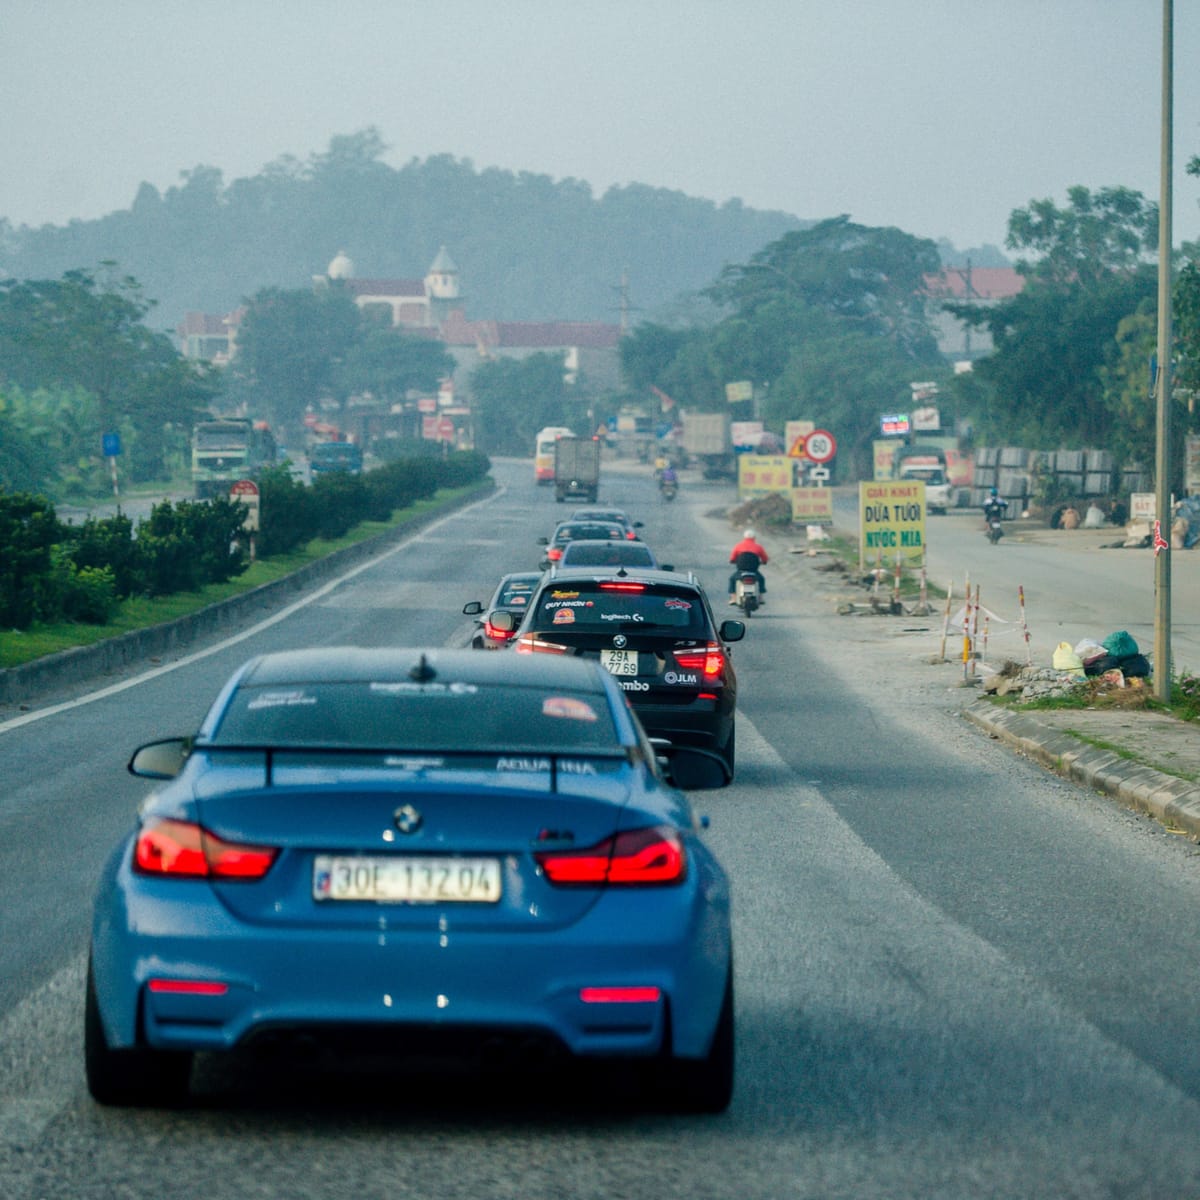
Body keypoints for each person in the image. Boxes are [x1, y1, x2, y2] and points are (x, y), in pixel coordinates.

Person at [728, 528, 768, 604]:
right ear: (754, 538)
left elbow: (732, 558)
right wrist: (763, 562)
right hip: (753, 571)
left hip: (741, 571)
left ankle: (733, 598)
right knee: (761, 579)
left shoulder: (738, 546)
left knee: (732, 579)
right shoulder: (758, 547)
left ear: (744, 537)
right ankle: (760, 597)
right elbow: (765, 559)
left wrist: (733, 561)